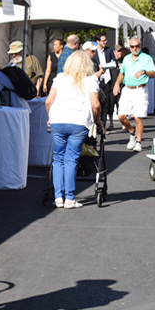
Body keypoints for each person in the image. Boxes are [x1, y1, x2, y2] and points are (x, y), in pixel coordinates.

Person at [45, 50, 101, 208]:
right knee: (71, 159)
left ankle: (58, 197)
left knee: (58, 158)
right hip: (78, 121)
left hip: (58, 120)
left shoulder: (60, 78)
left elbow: (49, 101)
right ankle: (70, 197)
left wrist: (50, 117)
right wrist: (98, 121)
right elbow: (95, 104)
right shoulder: (91, 80)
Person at [113, 37, 155, 152]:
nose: (135, 48)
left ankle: (138, 142)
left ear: (140, 45)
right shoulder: (127, 58)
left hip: (140, 89)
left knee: (138, 117)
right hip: (127, 89)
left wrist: (144, 72)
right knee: (121, 116)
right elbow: (122, 73)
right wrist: (117, 84)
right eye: (132, 46)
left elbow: (154, 73)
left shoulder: (146, 58)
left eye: (137, 46)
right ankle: (132, 133)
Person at [95, 34, 119, 130]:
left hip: (107, 80)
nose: (105, 42)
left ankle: (103, 126)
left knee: (106, 104)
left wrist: (105, 66)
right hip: (97, 80)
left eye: (106, 40)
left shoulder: (108, 50)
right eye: (103, 40)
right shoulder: (94, 51)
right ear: (98, 41)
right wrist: (98, 66)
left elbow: (114, 63)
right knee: (97, 103)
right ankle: (97, 124)